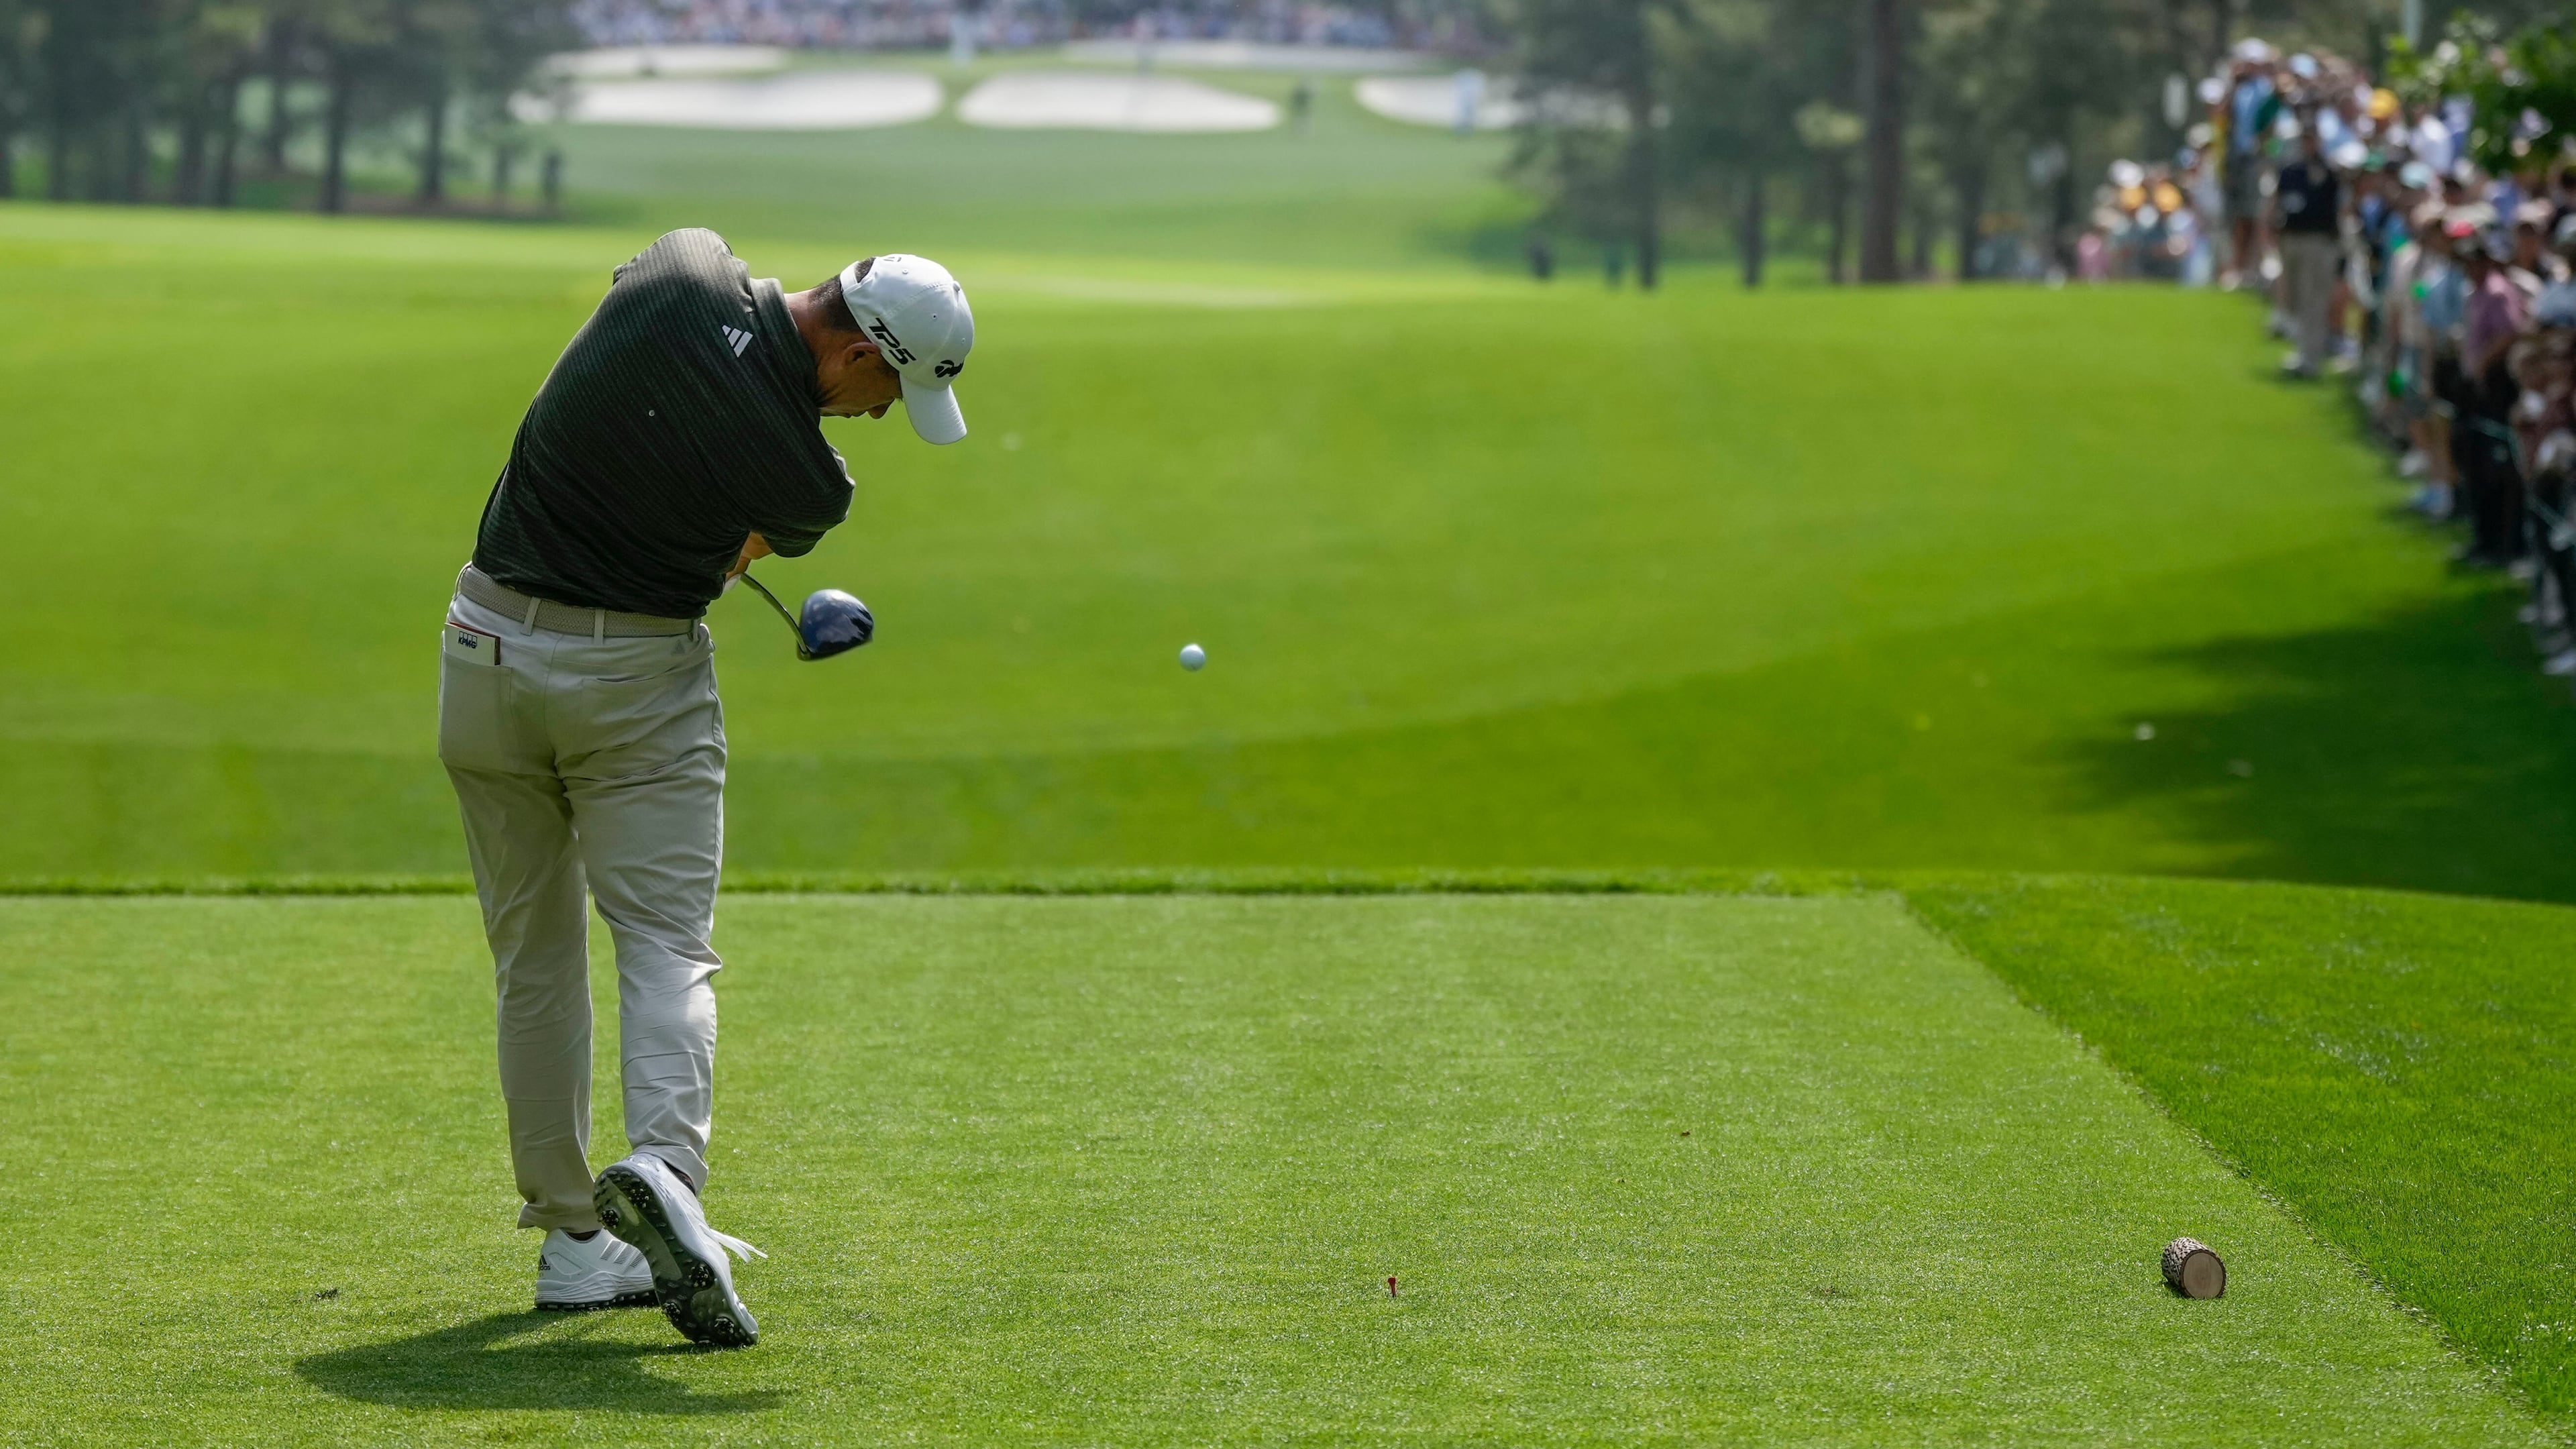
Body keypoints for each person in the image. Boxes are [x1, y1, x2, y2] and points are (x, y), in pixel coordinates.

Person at [437, 229, 975, 1346]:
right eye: (889, 394)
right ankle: (669, 1175)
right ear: (860, 356)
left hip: (482, 645)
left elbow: (630, 346)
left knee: (533, 955)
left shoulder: (682, 269)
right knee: (665, 942)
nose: (876, 418)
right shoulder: (810, 483)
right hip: (632, 683)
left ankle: (577, 1244)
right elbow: (728, 558)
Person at [2274, 121, 2343, 377]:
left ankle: (2310, 358)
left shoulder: (2327, 170)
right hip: (2292, 238)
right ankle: (2303, 351)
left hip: (2318, 240)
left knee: (2314, 300)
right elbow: (2278, 204)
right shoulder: (2290, 170)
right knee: (2296, 299)